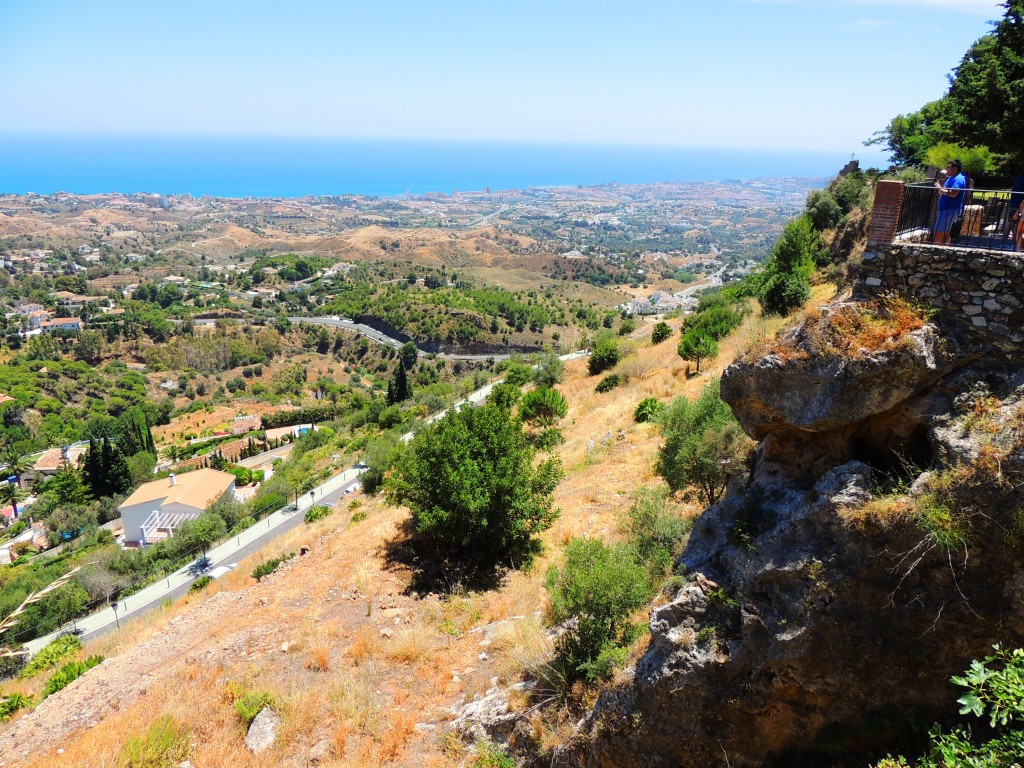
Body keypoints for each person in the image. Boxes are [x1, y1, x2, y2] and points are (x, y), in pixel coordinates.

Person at [933, 159, 967, 245]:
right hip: (946, 209)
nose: (946, 169)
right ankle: (945, 250)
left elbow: (953, 194)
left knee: (939, 232)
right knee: (945, 232)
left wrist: (940, 189)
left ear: (955, 169)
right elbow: (943, 191)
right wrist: (940, 189)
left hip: (950, 209)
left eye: (948, 167)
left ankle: (934, 250)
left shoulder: (958, 179)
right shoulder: (951, 178)